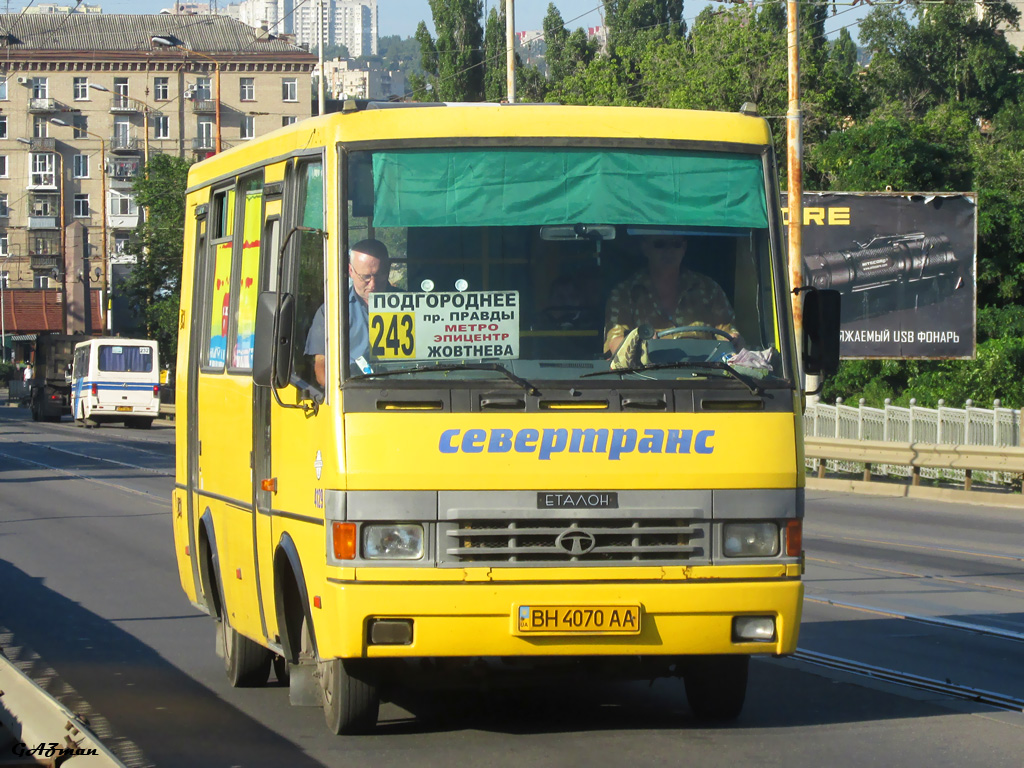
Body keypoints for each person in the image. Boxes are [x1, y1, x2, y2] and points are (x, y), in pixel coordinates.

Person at [603, 235, 740, 356]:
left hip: (704, 379)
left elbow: (730, 338)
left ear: (684, 248)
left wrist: (734, 340)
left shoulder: (709, 290)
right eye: (660, 244)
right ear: (645, 247)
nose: (669, 251)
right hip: (645, 380)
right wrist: (643, 348)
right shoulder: (625, 293)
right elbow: (616, 344)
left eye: (676, 244)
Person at [304, 239, 394, 386]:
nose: (373, 284)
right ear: (351, 271)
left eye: (379, 275)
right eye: (365, 277)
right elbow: (322, 365)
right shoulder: (332, 311)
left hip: (404, 386)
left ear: (388, 270)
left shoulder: (412, 305)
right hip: (354, 392)